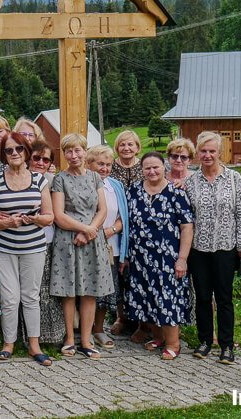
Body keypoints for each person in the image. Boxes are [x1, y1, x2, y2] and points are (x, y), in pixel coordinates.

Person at [0, 131, 55, 366]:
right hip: (2, 248)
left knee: (31, 297)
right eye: (9, 150)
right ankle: (8, 344)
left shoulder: (39, 181)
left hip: (33, 246)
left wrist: (35, 219)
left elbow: (49, 216)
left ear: (26, 151)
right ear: (3, 155)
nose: (14, 153)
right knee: (9, 298)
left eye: (19, 148)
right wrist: (7, 223)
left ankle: (34, 345)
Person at [184, 131, 241, 364]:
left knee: (224, 298)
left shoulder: (234, 179)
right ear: (197, 153)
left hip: (225, 247)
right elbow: (187, 218)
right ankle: (204, 340)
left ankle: (226, 345)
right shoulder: (191, 182)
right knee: (202, 297)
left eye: (212, 151)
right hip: (199, 249)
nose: (207, 155)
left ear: (220, 152)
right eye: (203, 151)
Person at [50, 133, 115, 359]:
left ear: (85, 152)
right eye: (68, 151)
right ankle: (69, 338)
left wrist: (90, 231)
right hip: (68, 240)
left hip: (92, 240)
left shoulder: (95, 177)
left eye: (77, 150)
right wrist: (84, 229)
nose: (73, 155)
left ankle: (86, 340)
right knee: (69, 291)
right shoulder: (60, 179)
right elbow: (59, 215)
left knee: (90, 291)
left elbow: (102, 210)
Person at [124, 152, 194, 360]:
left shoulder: (176, 192)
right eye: (147, 168)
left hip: (167, 257)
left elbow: (187, 227)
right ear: (142, 170)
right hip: (140, 256)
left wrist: (182, 259)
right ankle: (158, 336)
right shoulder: (134, 190)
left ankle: (173, 343)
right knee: (146, 296)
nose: (152, 171)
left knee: (168, 297)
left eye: (156, 167)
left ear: (164, 168)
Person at [86, 145, 129, 350]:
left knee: (105, 291)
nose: (104, 168)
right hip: (87, 242)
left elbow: (124, 216)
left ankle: (98, 329)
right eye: (100, 164)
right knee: (87, 289)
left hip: (111, 246)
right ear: (89, 164)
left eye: (108, 164)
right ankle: (84, 331)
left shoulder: (115, 185)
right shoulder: (84, 182)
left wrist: (111, 230)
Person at [30, 140, 65, 346]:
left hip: (50, 239)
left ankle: (52, 334)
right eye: (37, 158)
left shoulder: (53, 181)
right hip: (25, 240)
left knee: (50, 291)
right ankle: (32, 334)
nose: (41, 163)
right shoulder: (20, 178)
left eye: (46, 160)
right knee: (33, 292)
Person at [109, 129, 143, 337]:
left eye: (130, 144)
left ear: (137, 147)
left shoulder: (144, 166)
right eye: (122, 144)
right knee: (119, 275)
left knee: (137, 274)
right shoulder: (110, 166)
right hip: (116, 227)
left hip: (140, 228)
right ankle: (121, 317)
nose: (126, 148)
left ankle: (141, 322)